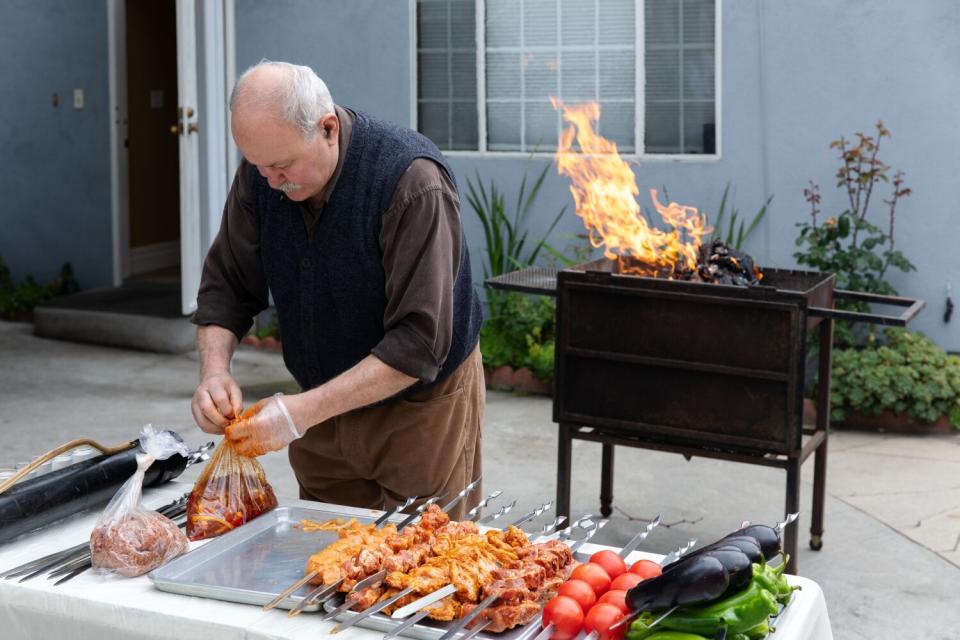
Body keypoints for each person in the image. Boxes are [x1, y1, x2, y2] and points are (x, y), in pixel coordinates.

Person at [189, 60, 484, 520]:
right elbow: (226, 284)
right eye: (258, 166)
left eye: (282, 166)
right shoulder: (263, 174)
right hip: (319, 404)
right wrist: (213, 371)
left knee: (424, 560)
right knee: (330, 557)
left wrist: (295, 416)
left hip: (420, 406)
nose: (270, 182)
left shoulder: (411, 182)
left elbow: (418, 344)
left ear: (328, 129)